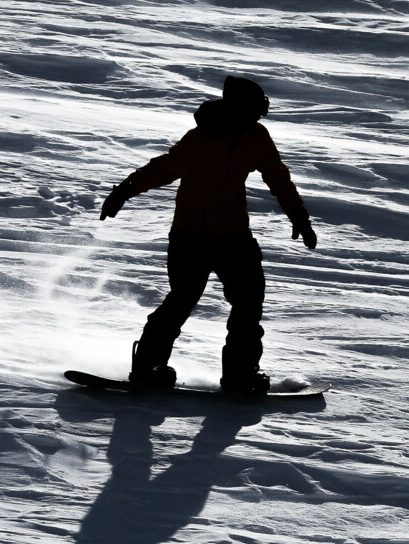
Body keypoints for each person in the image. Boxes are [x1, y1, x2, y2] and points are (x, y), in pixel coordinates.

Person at [99, 76, 317, 394]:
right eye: (254, 110)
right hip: (191, 237)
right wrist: (124, 191)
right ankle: (148, 365)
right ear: (236, 109)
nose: (258, 117)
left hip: (234, 236)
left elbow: (277, 176)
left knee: (249, 300)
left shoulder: (256, 137)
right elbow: (163, 168)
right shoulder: (201, 140)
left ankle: (240, 374)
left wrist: (299, 215)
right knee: (182, 300)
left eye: (261, 111)